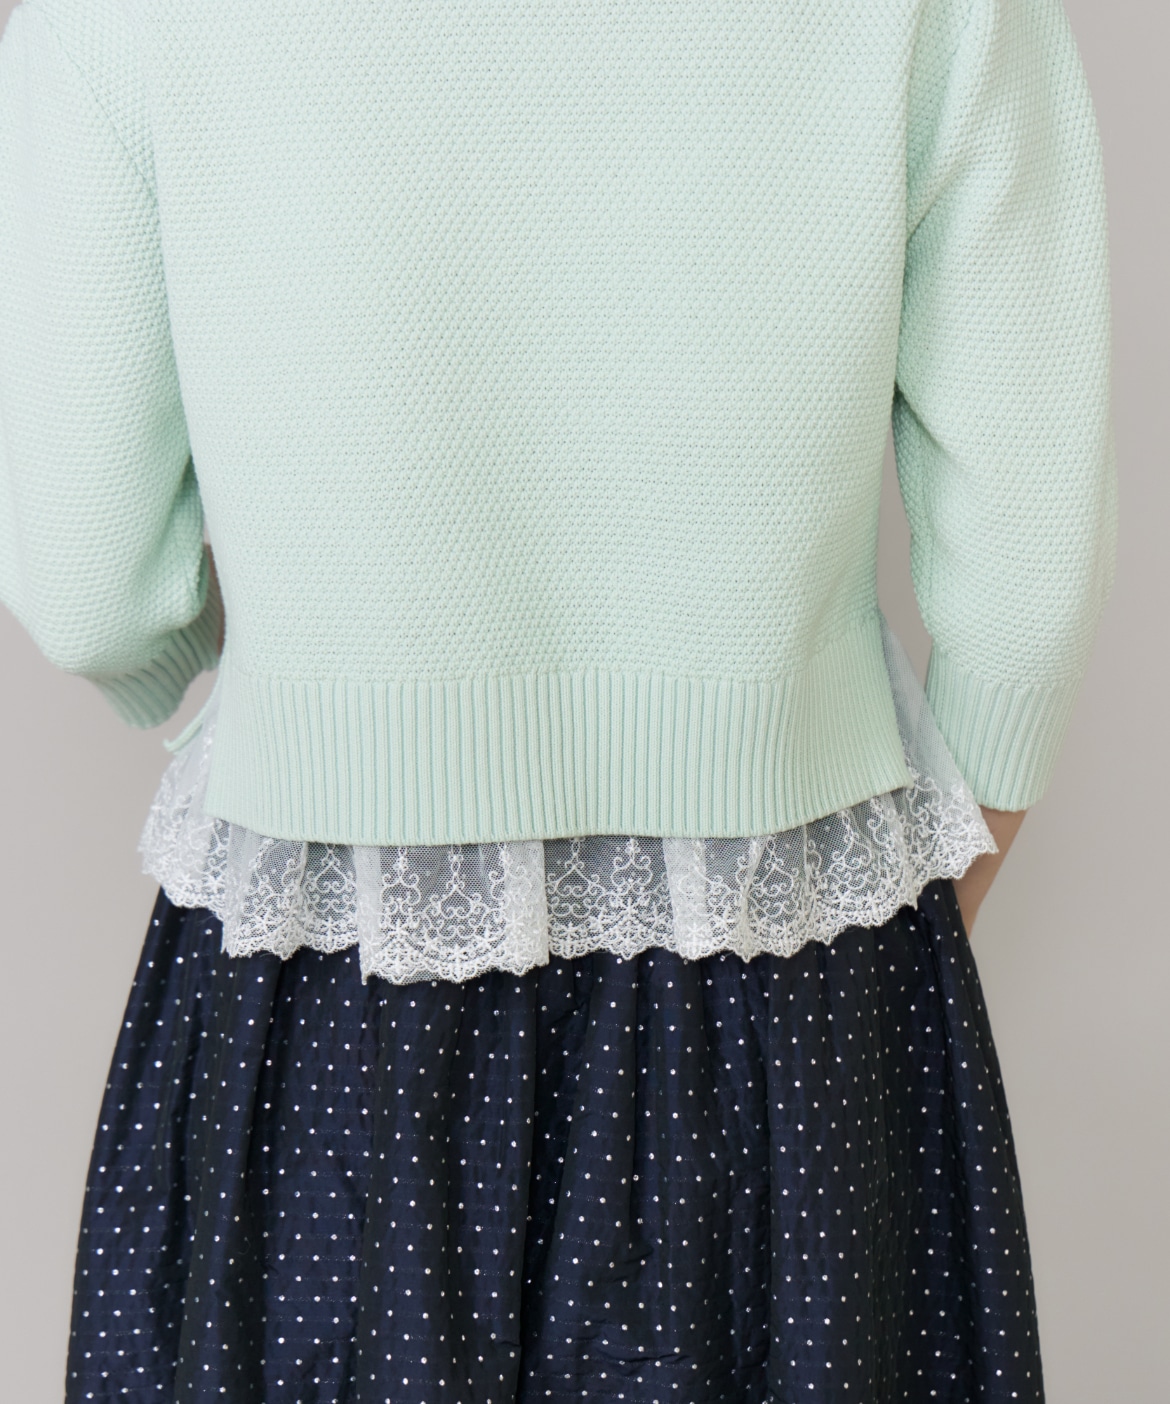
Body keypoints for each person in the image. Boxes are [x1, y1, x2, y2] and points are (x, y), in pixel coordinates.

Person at [0, 0, 1115, 1399]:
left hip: (332, 980)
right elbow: (1027, 582)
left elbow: (95, 586)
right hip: (788, 970)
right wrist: (922, 898)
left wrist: (299, 706)